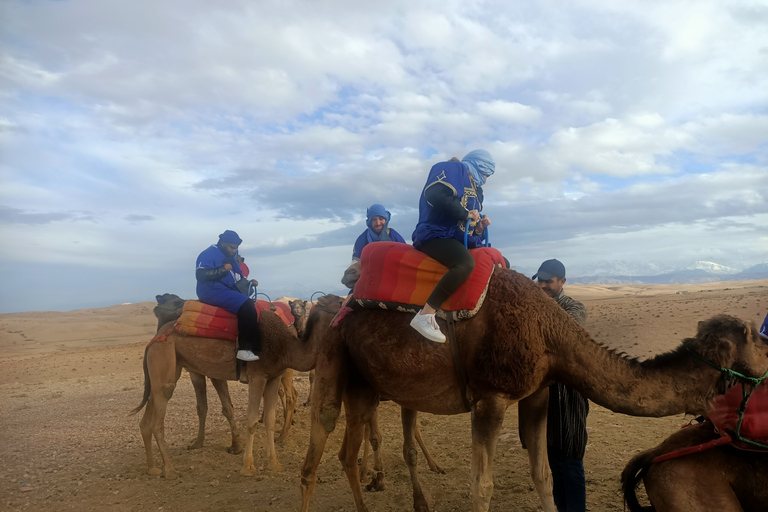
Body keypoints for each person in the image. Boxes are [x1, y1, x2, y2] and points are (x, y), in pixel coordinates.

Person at [410, 150, 495, 342]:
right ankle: (426, 314)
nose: (486, 179)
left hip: (453, 237)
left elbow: (467, 228)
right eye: (486, 174)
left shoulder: (476, 190)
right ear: (479, 165)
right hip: (434, 233)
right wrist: (465, 214)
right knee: (464, 264)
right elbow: (435, 194)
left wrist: (479, 228)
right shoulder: (454, 169)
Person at [533, 258, 588, 512]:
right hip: (542, 391)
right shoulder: (535, 307)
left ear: (562, 282)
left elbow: (562, 336)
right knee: (552, 458)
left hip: (568, 392)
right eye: (540, 280)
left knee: (571, 458)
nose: (542, 285)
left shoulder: (574, 308)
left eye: (548, 281)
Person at [195, 230, 261, 362]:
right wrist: (222, 269)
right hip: (212, 290)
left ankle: (258, 346)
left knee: (255, 306)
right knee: (246, 305)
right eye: (231, 247)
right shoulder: (208, 254)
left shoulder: (231, 256)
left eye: (235, 248)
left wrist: (248, 285)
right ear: (223, 243)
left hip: (227, 290)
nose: (233, 251)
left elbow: (235, 277)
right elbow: (200, 275)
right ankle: (244, 349)